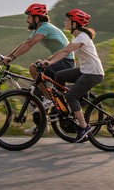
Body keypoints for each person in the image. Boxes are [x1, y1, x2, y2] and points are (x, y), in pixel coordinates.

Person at [39, 8, 105, 143]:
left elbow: (66, 51)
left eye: (67, 20)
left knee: (71, 96)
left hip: (93, 73)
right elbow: (62, 50)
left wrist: (49, 63)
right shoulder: (76, 37)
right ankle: (63, 106)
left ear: (74, 23)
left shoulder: (82, 37)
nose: (65, 22)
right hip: (85, 70)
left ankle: (84, 127)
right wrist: (47, 60)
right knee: (59, 76)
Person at [0, 3, 74, 88]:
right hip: (59, 60)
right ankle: (45, 93)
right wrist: (8, 57)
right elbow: (25, 43)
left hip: (65, 62)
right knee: (37, 85)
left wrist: (12, 58)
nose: (27, 20)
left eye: (29, 17)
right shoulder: (39, 29)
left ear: (36, 18)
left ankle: (46, 95)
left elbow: (30, 44)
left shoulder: (45, 27)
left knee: (33, 68)